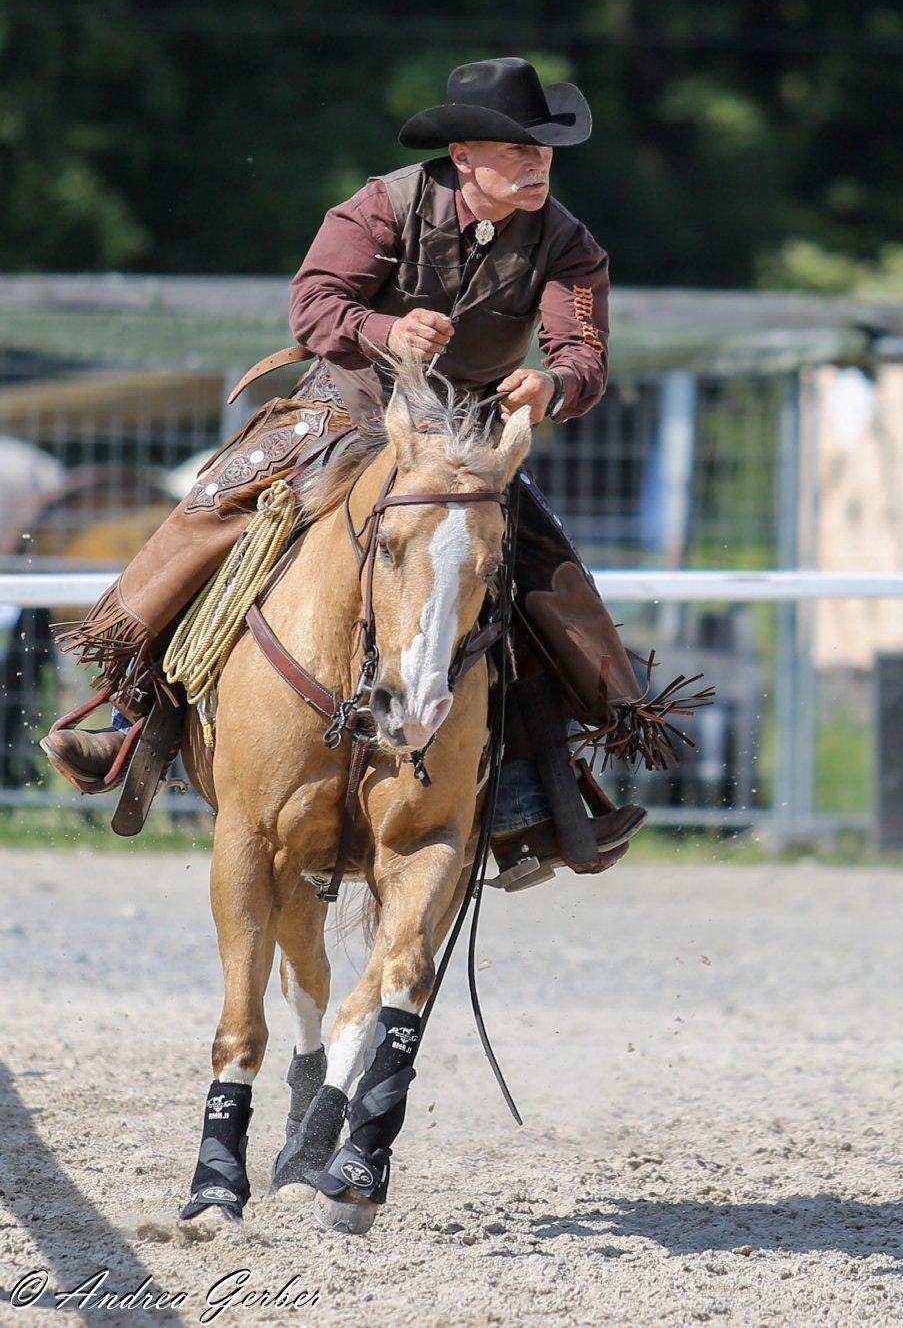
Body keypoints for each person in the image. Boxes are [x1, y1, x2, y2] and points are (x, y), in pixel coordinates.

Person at [43, 58, 680, 886]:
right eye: (518, 151)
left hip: (462, 442)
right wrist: (387, 332)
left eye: (543, 152)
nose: (537, 166)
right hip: (343, 413)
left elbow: (583, 356)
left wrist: (552, 386)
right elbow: (313, 306)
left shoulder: (569, 244)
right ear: (463, 157)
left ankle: (535, 794)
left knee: (542, 579)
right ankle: (135, 724)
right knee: (213, 512)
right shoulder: (381, 205)